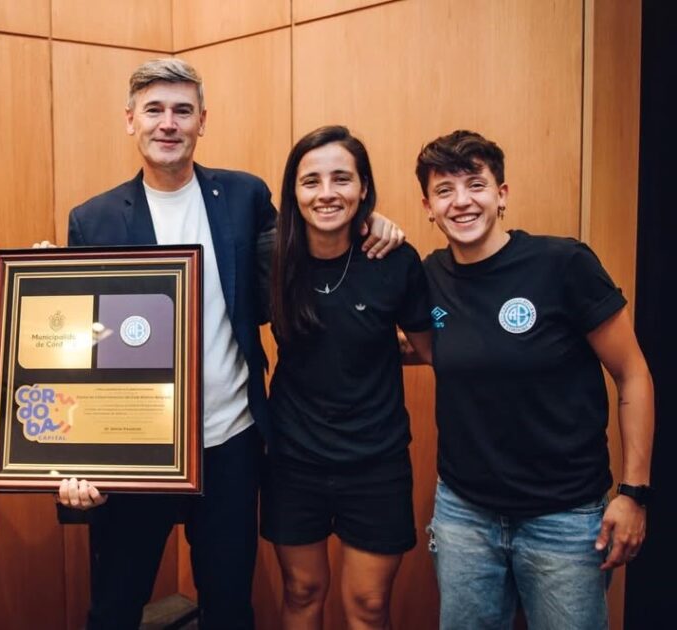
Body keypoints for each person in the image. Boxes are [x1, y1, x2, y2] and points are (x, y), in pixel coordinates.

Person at [56, 58, 404, 630]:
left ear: (202, 121)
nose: (168, 123)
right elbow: (79, 349)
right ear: (130, 120)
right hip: (135, 449)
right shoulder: (93, 220)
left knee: (229, 606)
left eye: (182, 110)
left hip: (230, 442)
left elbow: (304, 247)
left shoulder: (244, 196)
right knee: (115, 607)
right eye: (154, 110)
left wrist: (369, 219)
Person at [417, 130, 655, 629]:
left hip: (566, 518)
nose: (461, 201)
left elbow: (632, 373)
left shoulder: (562, 264)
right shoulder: (429, 275)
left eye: (476, 185)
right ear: (428, 208)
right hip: (464, 515)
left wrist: (634, 493)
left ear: (501, 195)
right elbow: (433, 347)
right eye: (444, 190)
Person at [262, 125, 432, 630]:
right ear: (294, 191)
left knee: (369, 605)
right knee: (302, 591)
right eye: (311, 181)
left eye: (341, 179)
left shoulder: (394, 259)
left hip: (376, 460)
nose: (327, 193)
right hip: (293, 458)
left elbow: (431, 348)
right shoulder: (269, 257)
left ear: (363, 188)